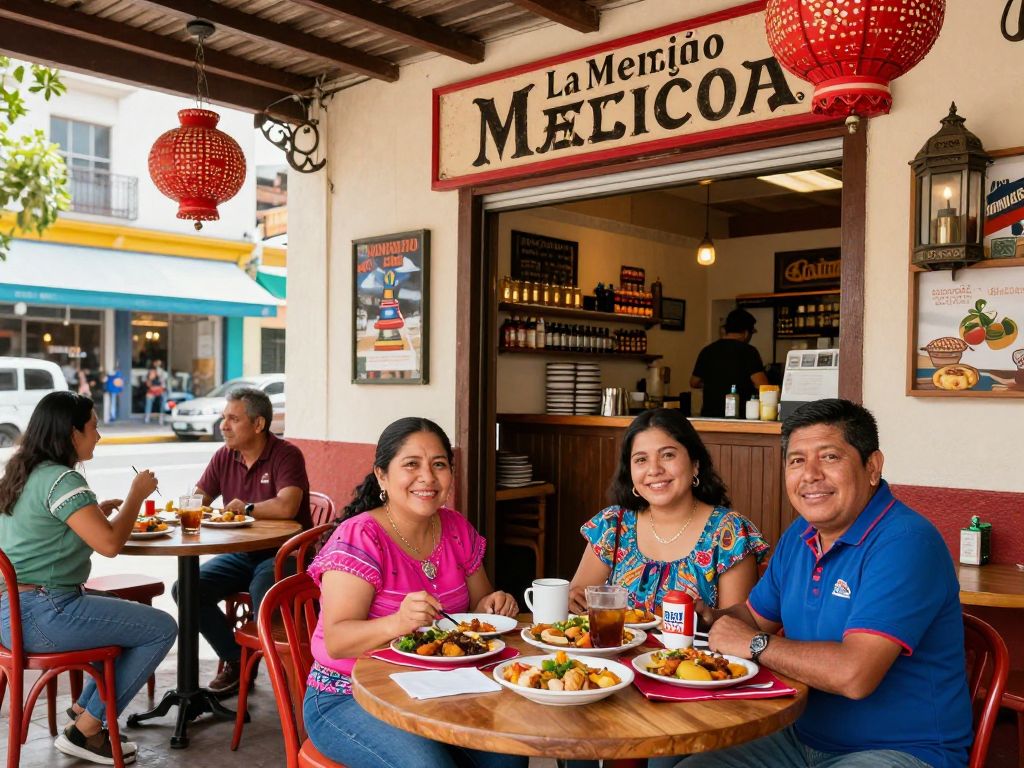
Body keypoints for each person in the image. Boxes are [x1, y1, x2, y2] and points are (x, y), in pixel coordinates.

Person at [679, 399, 972, 768]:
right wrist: (708, 617)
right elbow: (754, 618)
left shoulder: (906, 542)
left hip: (901, 750)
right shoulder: (801, 534)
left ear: (872, 466)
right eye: (797, 461)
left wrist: (753, 644)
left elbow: (855, 675)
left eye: (830, 457)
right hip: (797, 737)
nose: (811, 474)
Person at [303, 417, 525, 768]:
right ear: (382, 475)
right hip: (347, 695)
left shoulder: (455, 527)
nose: (428, 477)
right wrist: (398, 622)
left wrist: (493, 603)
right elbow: (338, 640)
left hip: (438, 690)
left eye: (439, 464)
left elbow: (479, 608)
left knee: (507, 760)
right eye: (411, 464)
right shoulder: (359, 537)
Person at [0, 391, 177, 765]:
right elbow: (110, 543)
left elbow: (46, 531)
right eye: (93, 427)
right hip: (44, 613)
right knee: (160, 627)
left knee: (126, 617)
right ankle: (87, 729)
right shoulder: (63, 479)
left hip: (12, 612)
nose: (99, 435)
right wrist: (135, 495)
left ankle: (84, 708)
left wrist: (95, 510)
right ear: (71, 431)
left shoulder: (22, 472)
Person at [173, 386, 311, 695]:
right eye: (224, 418)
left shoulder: (285, 454)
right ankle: (237, 660)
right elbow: (198, 500)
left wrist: (246, 508)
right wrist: (189, 508)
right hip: (242, 552)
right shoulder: (225, 456)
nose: (224, 425)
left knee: (263, 588)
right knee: (186, 588)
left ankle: (289, 676)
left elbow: (288, 505)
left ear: (258, 424)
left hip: (285, 553)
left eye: (233, 419)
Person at [569, 408, 768, 616]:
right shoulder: (613, 524)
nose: (654, 470)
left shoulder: (730, 533)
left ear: (695, 464)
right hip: (615, 648)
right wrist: (573, 601)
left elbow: (736, 630)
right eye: (641, 460)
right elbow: (578, 604)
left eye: (667, 455)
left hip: (695, 650)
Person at [690, 307, 770, 417]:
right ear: (746, 333)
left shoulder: (708, 350)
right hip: (739, 418)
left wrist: (714, 383)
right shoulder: (748, 351)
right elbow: (762, 385)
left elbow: (694, 382)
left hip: (709, 417)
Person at [143, 359, 168, 424]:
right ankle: (147, 417)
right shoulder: (150, 371)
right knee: (149, 399)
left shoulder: (163, 372)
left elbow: (163, 382)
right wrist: (150, 378)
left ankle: (161, 417)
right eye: (156, 363)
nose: (157, 365)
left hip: (160, 389)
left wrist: (159, 374)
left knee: (164, 399)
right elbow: (147, 382)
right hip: (152, 390)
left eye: (159, 363)